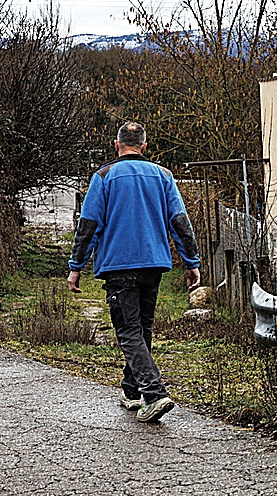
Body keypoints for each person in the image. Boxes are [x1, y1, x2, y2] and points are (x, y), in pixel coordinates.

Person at [67, 122, 201, 423]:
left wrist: (76, 268)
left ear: (117, 146)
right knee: (142, 329)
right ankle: (131, 391)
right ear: (144, 145)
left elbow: (88, 225)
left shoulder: (103, 177)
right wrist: (191, 262)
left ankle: (154, 394)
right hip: (153, 263)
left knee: (128, 331)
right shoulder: (163, 175)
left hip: (119, 265)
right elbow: (180, 222)